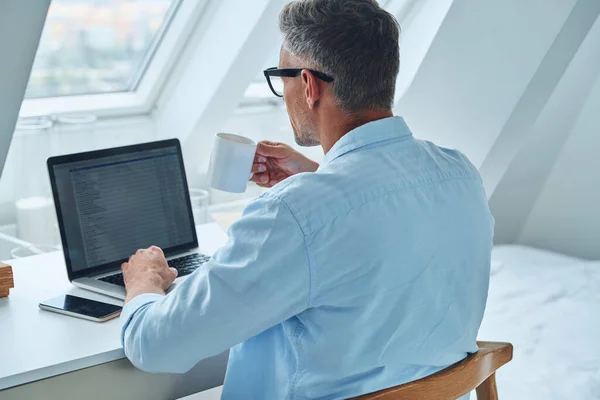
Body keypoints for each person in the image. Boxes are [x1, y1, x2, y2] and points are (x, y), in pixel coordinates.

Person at [120, 0, 494, 399]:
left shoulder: (294, 212)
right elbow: (389, 224)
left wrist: (144, 282)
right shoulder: (460, 175)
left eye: (281, 78)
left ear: (310, 86)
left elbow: (156, 345)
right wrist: (320, 176)